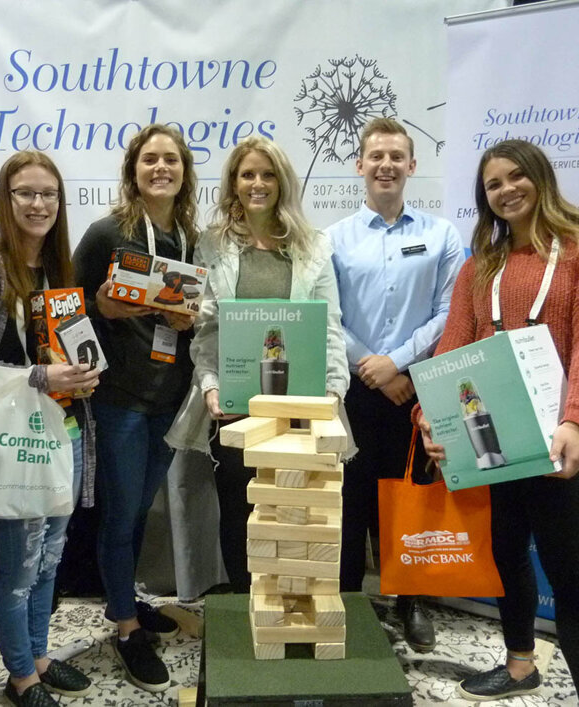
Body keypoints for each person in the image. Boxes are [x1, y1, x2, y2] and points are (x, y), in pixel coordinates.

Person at [417, 139, 579, 704]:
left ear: (541, 178)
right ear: (484, 198)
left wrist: (578, 421)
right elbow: (450, 351)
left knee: (575, 584)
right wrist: (430, 418)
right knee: (507, 558)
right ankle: (519, 667)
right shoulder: (479, 268)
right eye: (494, 184)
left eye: (517, 177)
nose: (507, 190)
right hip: (492, 445)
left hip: (562, 442)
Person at [166, 136, 350, 593]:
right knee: (240, 504)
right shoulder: (212, 245)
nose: (257, 183)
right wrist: (210, 384)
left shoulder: (315, 246)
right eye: (247, 174)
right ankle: (248, 600)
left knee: (297, 506)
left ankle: (295, 598)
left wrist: (332, 394)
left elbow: (329, 326)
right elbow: (206, 330)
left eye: (268, 174)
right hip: (236, 404)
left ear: (283, 182)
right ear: (233, 183)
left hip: (301, 403)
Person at [0, 151, 100, 707]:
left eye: (48, 194)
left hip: (65, 431)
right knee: (18, 567)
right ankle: (21, 678)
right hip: (16, 440)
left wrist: (82, 376)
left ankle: (40, 656)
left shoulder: (58, 269)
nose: (38, 204)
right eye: (25, 193)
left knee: (50, 560)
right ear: (6, 198)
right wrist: (43, 375)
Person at [326, 118, 464, 652]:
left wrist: (400, 364)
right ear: (360, 165)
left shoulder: (441, 235)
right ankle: (347, 603)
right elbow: (329, 315)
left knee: (409, 499)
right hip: (354, 391)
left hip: (416, 389)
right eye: (376, 155)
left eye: (396, 156)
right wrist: (372, 367)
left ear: (412, 165)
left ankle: (410, 603)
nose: (386, 164)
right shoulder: (333, 238)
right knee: (350, 502)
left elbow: (450, 313)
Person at [72, 124, 199, 692]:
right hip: (120, 399)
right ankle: (126, 628)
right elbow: (64, 309)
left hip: (171, 400)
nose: (161, 169)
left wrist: (193, 321)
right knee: (121, 517)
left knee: (139, 511)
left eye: (171, 160)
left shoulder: (194, 239)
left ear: (184, 172)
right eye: (150, 160)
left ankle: (124, 600)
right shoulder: (107, 234)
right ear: (133, 170)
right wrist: (103, 311)